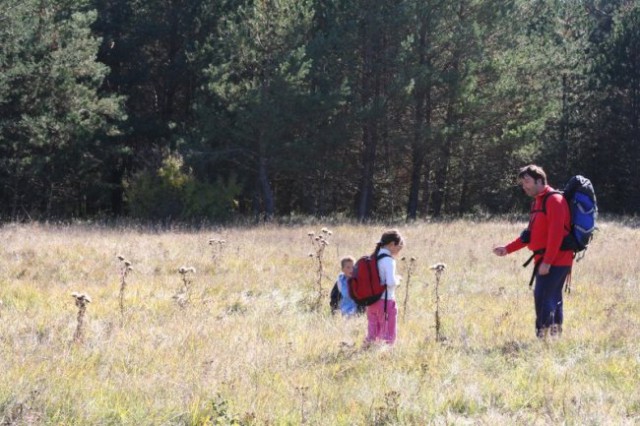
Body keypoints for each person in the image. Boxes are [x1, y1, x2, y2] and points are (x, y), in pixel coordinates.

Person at [493, 165, 573, 339]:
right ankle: (554, 338)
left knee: (543, 298)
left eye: (527, 181)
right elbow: (529, 235)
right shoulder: (537, 202)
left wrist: (548, 262)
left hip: (555, 261)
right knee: (552, 298)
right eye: (522, 183)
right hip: (544, 259)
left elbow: (556, 234)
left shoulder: (554, 200)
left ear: (540, 180)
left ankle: (543, 339)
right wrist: (507, 249)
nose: (525, 186)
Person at [365, 229, 404, 346]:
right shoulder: (388, 260)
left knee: (372, 333)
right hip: (386, 301)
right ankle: (385, 358)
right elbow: (390, 282)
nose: (399, 251)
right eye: (399, 247)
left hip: (371, 301)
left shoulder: (373, 257)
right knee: (387, 335)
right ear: (392, 244)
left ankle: (368, 350)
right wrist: (398, 280)